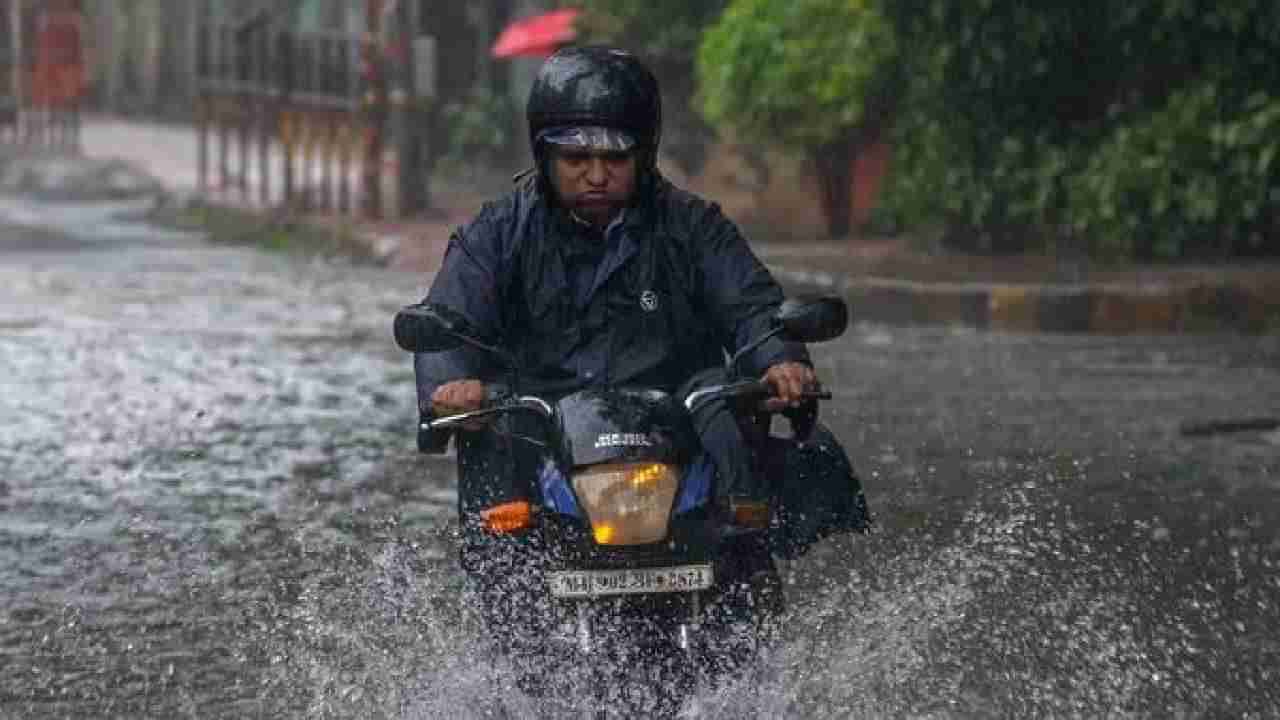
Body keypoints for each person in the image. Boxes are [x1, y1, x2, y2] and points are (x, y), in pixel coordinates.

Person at [414, 46, 816, 529]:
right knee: (493, 437)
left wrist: (781, 361)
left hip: (678, 425)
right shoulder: (497, 233)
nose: (597, 175)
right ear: (545, 156)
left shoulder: (695, 226)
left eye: (615, 157)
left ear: (643, 155)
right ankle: (505, 594)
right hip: (541, 427)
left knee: (728, 408)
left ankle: (741, 561)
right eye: (577, 157)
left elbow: (753, 309)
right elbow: (449, 322)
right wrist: (450, 386)